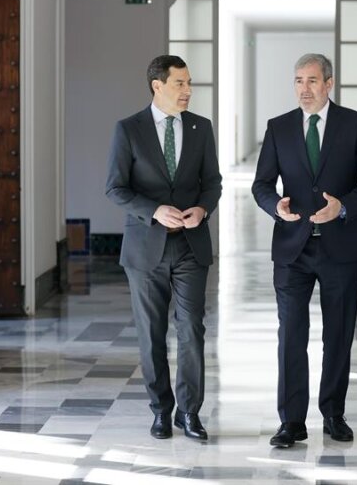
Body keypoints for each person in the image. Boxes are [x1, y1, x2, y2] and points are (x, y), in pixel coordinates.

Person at [252, 53, 357, 448]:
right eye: (298, 81)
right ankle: (291, 422)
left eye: (312, 81)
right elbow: (261, 184)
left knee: (338, 335)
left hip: (341, 247)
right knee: (291, 335)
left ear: (329, 83)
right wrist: (273, 206)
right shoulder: (278, 128)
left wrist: (342, 207)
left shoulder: (355, 124)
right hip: (292, 248)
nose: (304, 89)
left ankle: (333, 414)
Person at [105, 55, 222, 441]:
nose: (188, 91)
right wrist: (154, 210)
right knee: (151, 333)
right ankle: (161, 410)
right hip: (145, 249)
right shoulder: (129, 130)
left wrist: (202, 209)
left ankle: (190, 413)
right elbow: (116, 188)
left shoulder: (201, 128)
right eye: (180, 84)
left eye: (189, 83)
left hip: (191, 245)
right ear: (158, 85)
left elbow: (213, 182)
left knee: (191, 329)